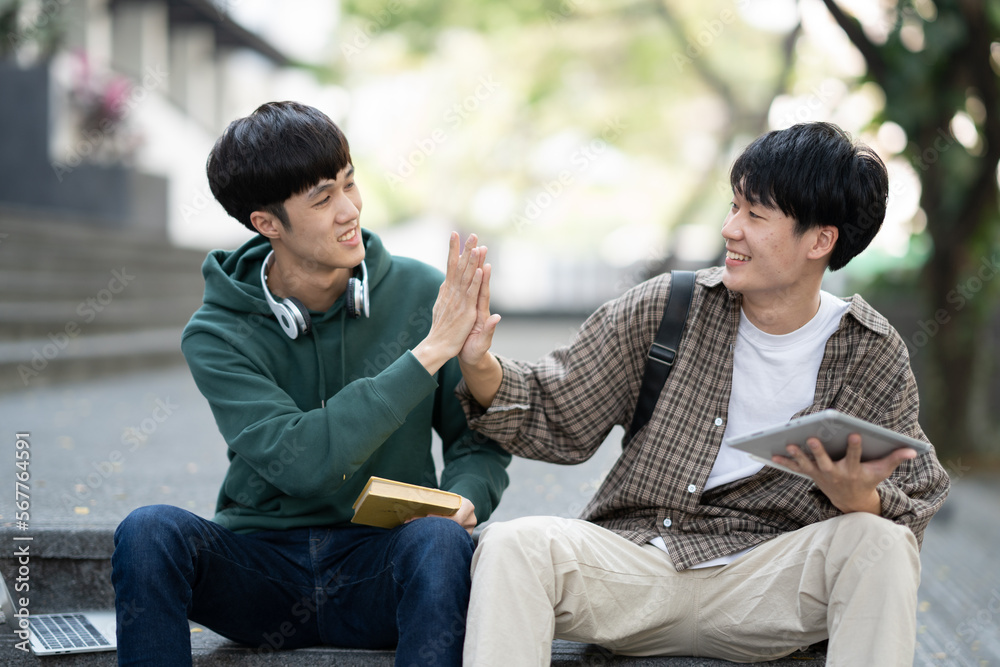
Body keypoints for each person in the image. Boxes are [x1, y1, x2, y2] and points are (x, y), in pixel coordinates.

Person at [453, 122, 950, 666]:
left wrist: (860, 498)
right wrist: (478, 362)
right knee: (511, 546)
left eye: (754, 215)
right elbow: (556, 406)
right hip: (637, 566)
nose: (730, 228)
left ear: (820, 240)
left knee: (880, 543)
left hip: (765, 587)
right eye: (734, 207)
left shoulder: (870, 351)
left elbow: (913, 503)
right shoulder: (670, 307)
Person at [110, 101, 511, 667]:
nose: (350, 210)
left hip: (383, 563)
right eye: (322, 199)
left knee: (442, 542)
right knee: (148, 531)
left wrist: (465, 496)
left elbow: (478, 437)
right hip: (260, 572)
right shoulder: (217, 332)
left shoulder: (424, 295)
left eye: (349, 184)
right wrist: (425, 356)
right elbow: (301, 463)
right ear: (266, 223)